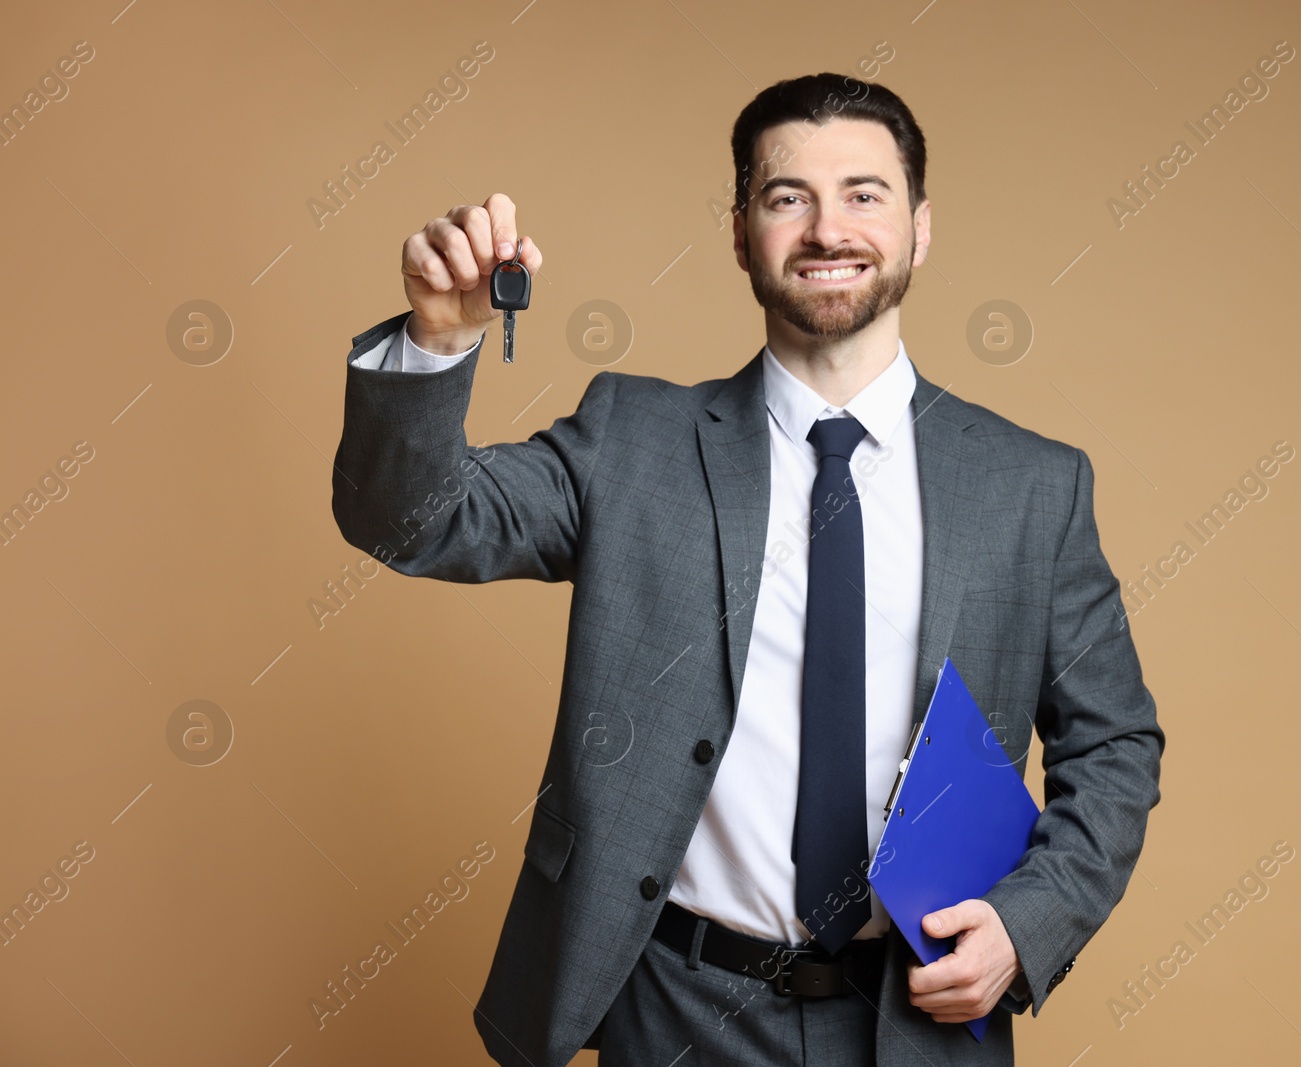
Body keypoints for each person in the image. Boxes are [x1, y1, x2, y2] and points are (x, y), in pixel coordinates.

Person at [331, 72, 1163, 1067]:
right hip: (675, 1008)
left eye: (863, 194)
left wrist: (1030, 922)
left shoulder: (1033, 486)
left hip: (917, 1018)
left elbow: (1114, 744)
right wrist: (437, 334)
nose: (826, 229)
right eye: (786, 198)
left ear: (920, 226)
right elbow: (411, 522)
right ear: (738, 233)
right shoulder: (631, 442)